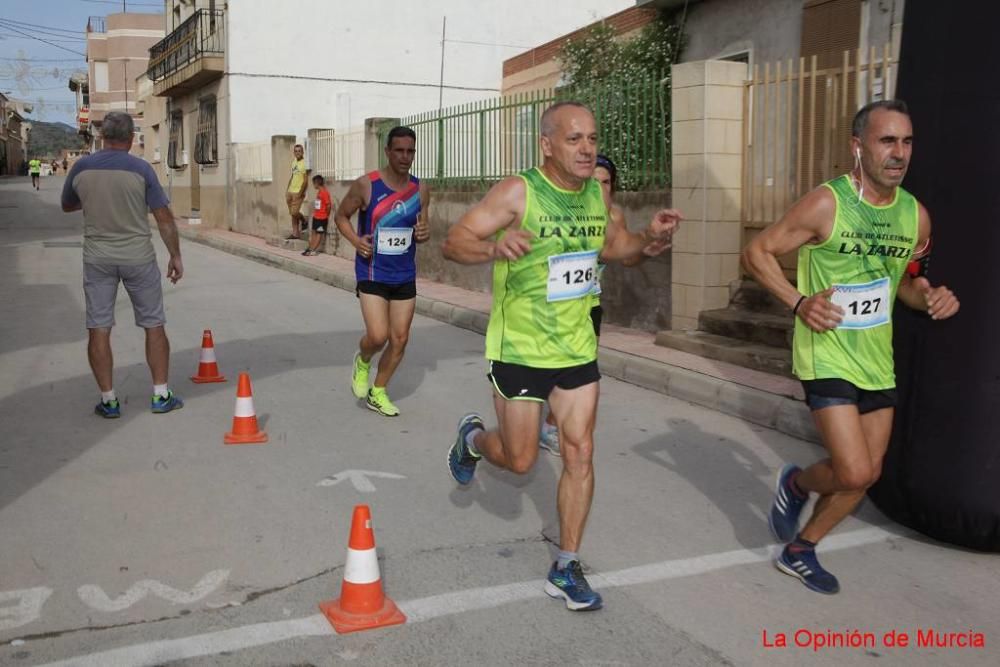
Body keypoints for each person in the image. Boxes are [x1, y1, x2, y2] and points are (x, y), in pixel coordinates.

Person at [442, 102, 680, 611]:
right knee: (521, 458)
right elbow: (456, 241)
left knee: (581, 451)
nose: (587, 148)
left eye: (592, 138)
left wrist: (650, 240)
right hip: (520, 347)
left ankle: (566, 564)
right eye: (574, 139)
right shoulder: (517, 192)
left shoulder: (597, 195)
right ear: (547, 144)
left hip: (575, 347)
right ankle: (474, 438)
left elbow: (617, 247)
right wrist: (494, 249)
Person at [742, 99, 959, 595]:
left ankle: (801, 545)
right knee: (855, 468)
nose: (899, 153)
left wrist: (928, 297)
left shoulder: (916, 217)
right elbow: (757, 252)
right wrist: (799, 303)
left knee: (864, 476)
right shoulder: (827, 203)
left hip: (876, 357)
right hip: (826, 350)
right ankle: (797, 488)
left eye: (906, 142)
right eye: (887, 141)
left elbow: (906, 283)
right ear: (858, 147)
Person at [538, 154, 667, 455]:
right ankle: (537, 416)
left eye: (606, 182)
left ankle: (552, 426)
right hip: (549, 305)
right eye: (593, 181)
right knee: (548, 370)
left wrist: (647, 250)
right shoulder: (558, 213)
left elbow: (627, 257)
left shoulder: (615, 218)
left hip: (588, 304)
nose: (599, 188)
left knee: (578, 369)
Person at [60, 111, 185, 418]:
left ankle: (109, 400)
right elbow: (164, 218)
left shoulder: (82, 167)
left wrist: (91, 200)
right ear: (131, 139)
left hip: (98, 259)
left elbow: (67, 205)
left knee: (99, 327)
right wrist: (175, 255)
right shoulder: (142, 169)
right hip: (138, 258)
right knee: (153, 324)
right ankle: (160, 395)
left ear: (102, 137)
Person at [334, 126, 430, 417]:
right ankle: (363, 360)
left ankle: (379, 390)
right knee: (378, 336)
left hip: (404, 273)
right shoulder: (367, 185)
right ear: (387, 152)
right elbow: (341, 216)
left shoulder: (420, 189)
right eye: (399, 150)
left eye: (410, 151)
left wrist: (424, 232)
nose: (405, 156)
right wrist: (355, 240)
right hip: (372, 271)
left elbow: (422, 228)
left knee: (400, 338)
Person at [302, 174, 332, 256]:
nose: (313, 186)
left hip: (322, 217)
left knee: (319, 233)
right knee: (313, 232)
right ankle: (310, 248)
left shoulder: (324, 193)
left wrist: (326, 214)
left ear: (316, 183)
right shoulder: (319, 192)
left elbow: (328, 205)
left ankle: (314, 250)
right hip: (316, 216)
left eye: (313, 183)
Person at [285, 144, 310, 240]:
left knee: (295, 212)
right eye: (296, 151)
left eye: (299, 151)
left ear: (302, 152)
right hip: (290, 191)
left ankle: (304, 221)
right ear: (294, 153)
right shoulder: (294, 162)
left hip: (298, 192)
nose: (297, 153)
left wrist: (300, 192)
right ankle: (295, 234)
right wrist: (287, 190)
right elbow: (292, 176)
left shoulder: (304, 163)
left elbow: (305, 180)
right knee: (292, 214)